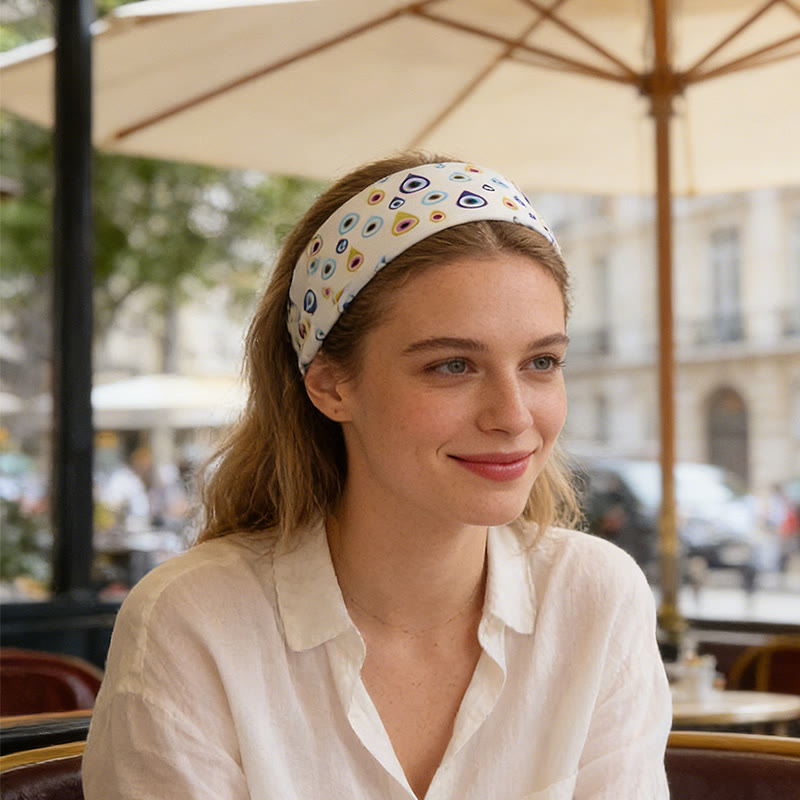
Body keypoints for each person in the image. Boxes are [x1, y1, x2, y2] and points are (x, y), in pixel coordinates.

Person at [82, 152, 671, 799]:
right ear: (332, 385)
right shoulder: (194, 624)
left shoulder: (596, 599)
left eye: (541, 362)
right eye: (453, 366)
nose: (513, 416)